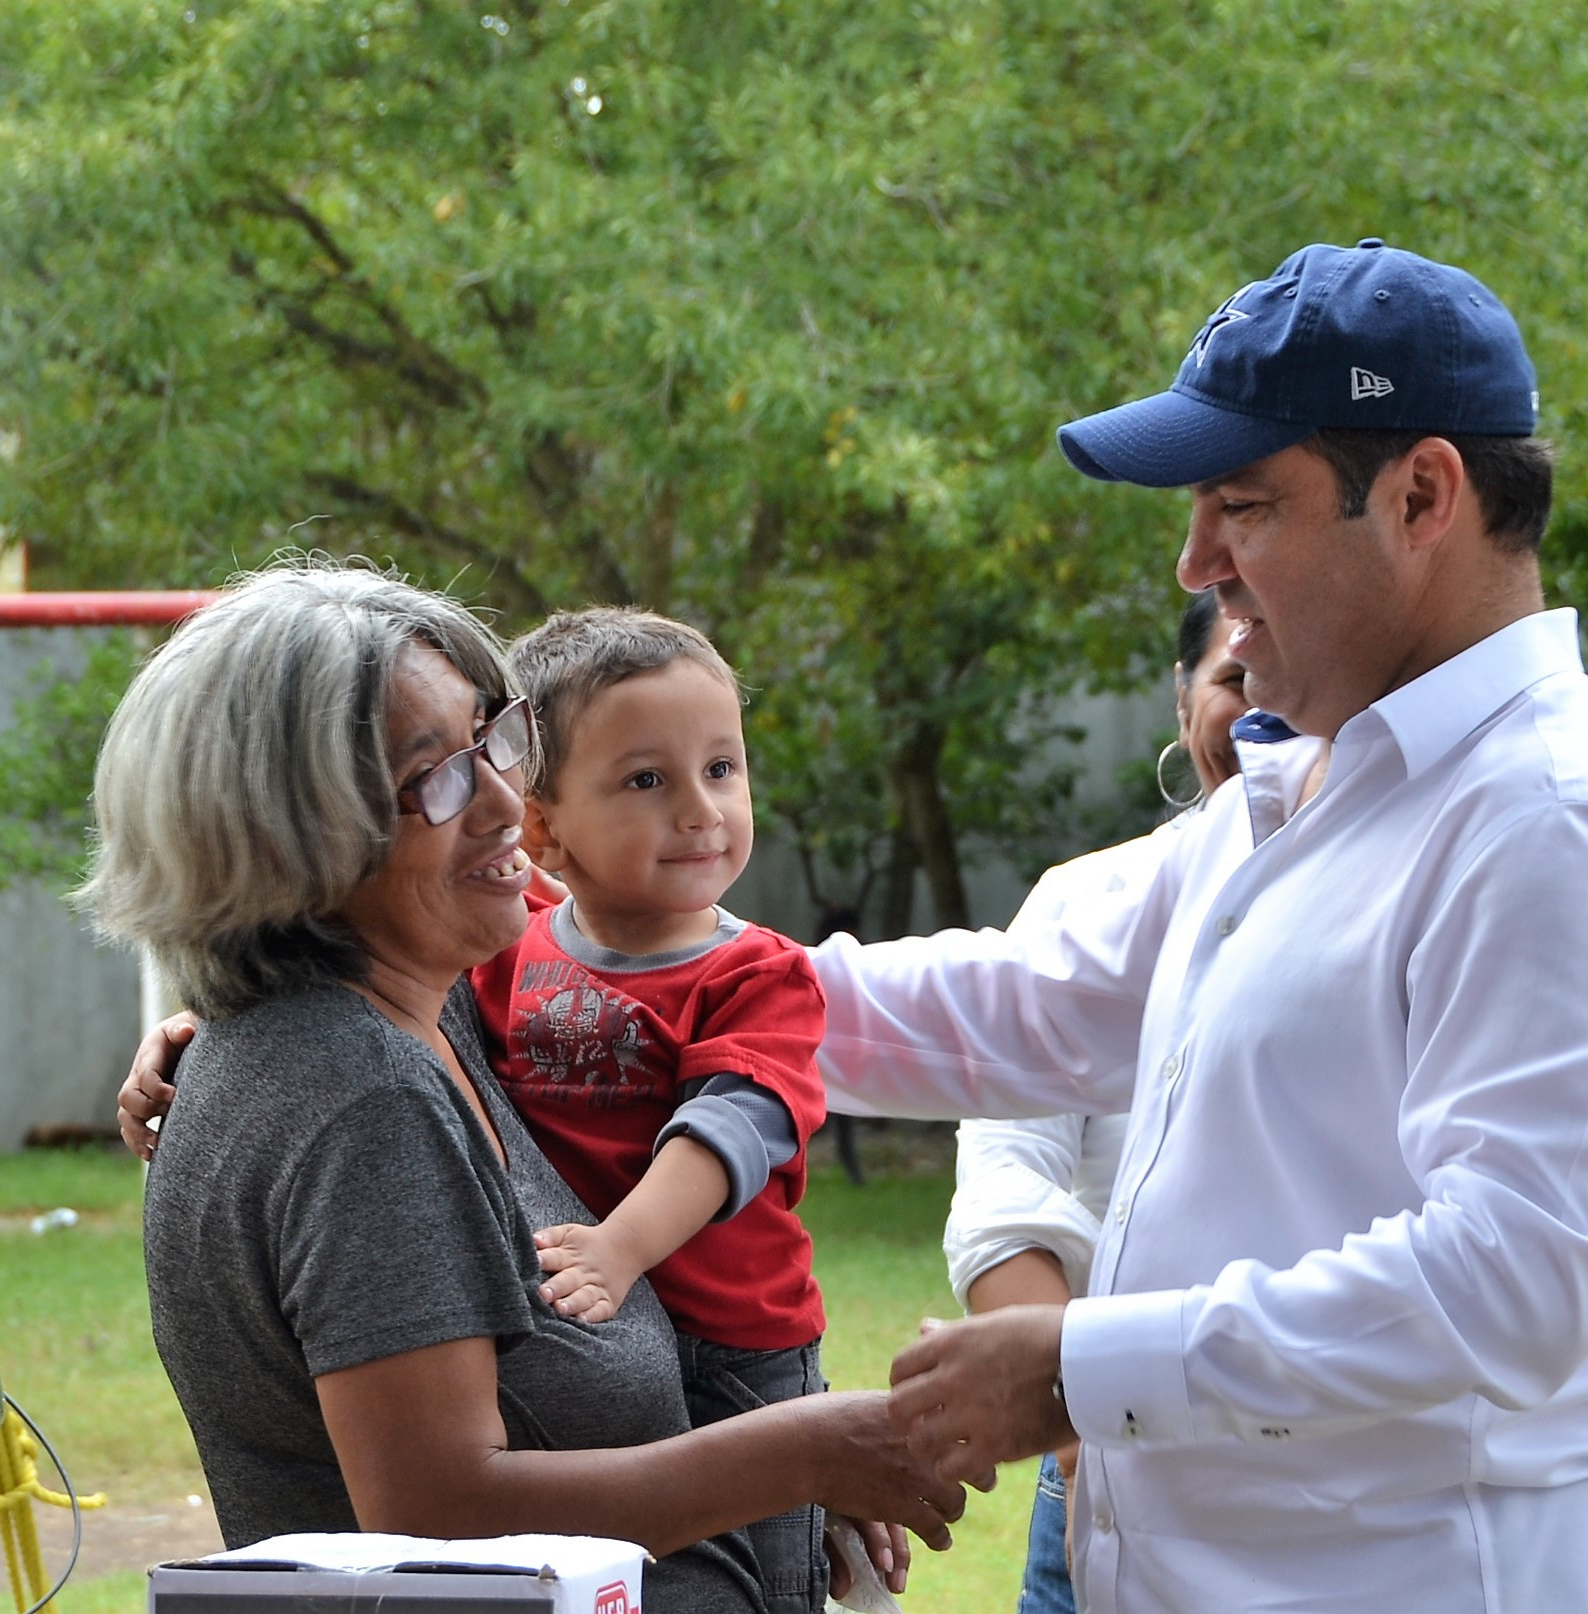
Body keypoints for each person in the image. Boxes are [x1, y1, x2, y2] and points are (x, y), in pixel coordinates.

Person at [848, 239, 1588, 1614]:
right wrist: (672, 985)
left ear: (1422, 494)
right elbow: (1036, 1002)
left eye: (1243, 505)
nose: (1198, 563)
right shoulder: (1312, 788)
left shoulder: (1553, 813)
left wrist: (1080, 1366)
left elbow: (1518, 1271)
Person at [82, 562, 959, 1612]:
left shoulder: (430, 1009)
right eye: (437, 776)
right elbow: (439, 1506)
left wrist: (776, 1457)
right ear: (294, 830)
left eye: (493, 740)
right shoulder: (361, 1097)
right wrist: (802, 1455)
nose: (509, 803)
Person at [481, 608, 837, 1614]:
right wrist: (205, 1019)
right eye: (648, 780)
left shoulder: (760, 973)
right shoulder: (506, 955)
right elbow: (391, 1008)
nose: (700, 810)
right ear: (541, 825)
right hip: (582, 1338)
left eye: (721, 769)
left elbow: (725, 1132)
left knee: (761, 1584)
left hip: (736, 1352)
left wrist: (621, 1248)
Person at [943, 591, 1248, 1614]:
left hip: (1321, 1482)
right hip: (1096, 1455)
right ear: (1179, 696)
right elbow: (1001, 1199)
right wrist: (1086, 1446)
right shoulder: (1091, 901)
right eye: (1234, 681)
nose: (1265, 717)